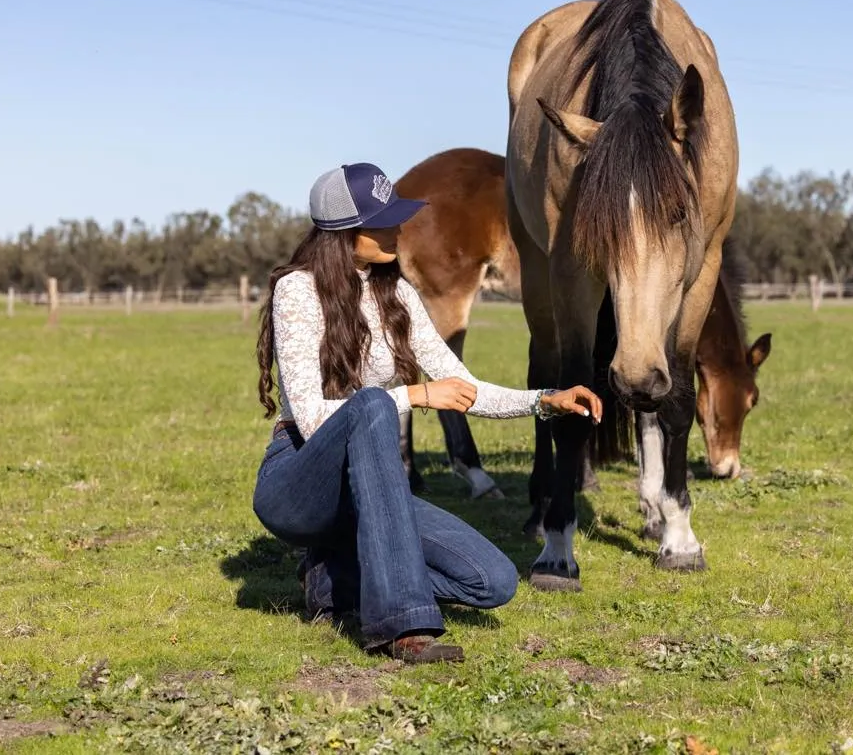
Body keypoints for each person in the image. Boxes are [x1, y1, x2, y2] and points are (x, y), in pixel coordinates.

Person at [251, 162, 602, 665]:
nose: (398, 228)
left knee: (493, 581)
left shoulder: (397, 294)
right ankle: (405, 627)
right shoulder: (298, 291)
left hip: (375, 489)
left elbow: (461, 386)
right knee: (372, 404)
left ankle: (334, 575)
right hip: (300, 483)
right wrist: (412, 397)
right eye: (384, 220)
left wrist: (544, 400)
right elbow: (309, 417)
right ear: (343, 230)